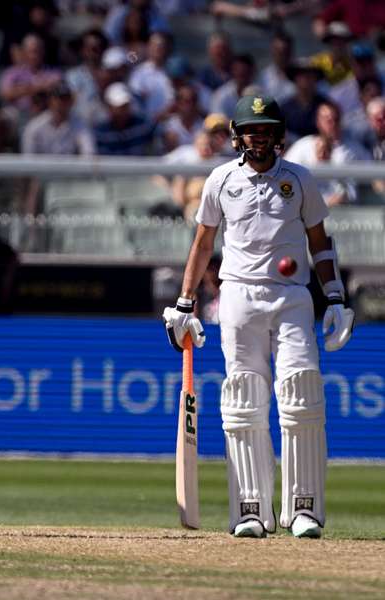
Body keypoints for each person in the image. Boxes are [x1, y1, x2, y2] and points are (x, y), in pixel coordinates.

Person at [163, 95, 355, 540]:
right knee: (244, 399)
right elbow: (202, 245)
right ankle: (250, 510)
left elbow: (320, 242)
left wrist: (337, 297)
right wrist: (186, 302)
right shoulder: (220, 180)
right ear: (238, 136)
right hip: (237, 298)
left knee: (302, 393)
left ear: (278, 135)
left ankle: (302, 509)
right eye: (252, 129)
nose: (259, 136)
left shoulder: (300, 180)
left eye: (266, 129)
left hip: (292, 296)